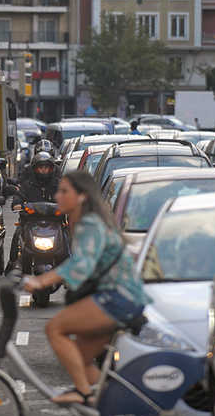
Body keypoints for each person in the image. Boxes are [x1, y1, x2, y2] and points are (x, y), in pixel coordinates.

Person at [22, 171, 149, 404]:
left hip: (118, 297)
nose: (57, 195)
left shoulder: (89, 224)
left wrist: (41, 281)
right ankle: (110, 408)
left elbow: (82, 264)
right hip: (121, 297)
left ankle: (83, 393)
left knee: (55, 329)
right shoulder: (82, 222)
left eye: (64, 191)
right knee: (81, 358)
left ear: (81, 196)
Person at [8, 151, 60, 268]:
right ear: (35, 169)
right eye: (41, 168)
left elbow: (68, 197)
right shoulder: (28, 185)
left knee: (69, 234)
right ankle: (13, 264)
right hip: (30, 222)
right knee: (17, 234)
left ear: (52, 169)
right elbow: (19, 197)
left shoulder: (59, 185)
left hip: (55, 222)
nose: (44, 170)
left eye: (46, 168)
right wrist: (18, 204)